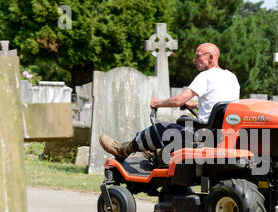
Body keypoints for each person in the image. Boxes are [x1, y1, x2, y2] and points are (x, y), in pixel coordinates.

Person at [99, 42, 240, 162]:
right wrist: (194, 105)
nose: (194, 60)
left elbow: (178, 101)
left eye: (197, 56)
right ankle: (157, 154)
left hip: (204, 135)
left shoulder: (206, 76)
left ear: (210, 57)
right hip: (222, 135)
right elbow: (220, 106)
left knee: (162, 128)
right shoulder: (231, 77)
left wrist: (158, 103)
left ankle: (124, 149)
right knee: (182, 122)